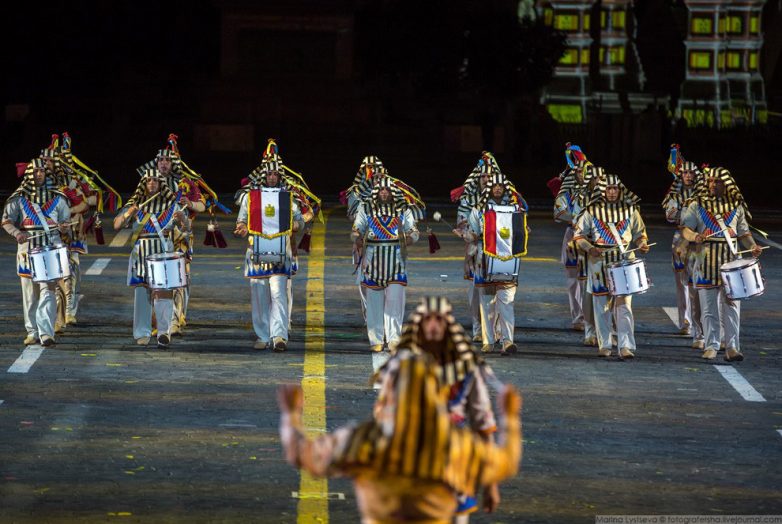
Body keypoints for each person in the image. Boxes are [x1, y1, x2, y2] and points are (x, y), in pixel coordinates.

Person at [277, 349, 523, 524]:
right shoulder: (456, 445)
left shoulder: (365, 440)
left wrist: (291, 415)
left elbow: (300, 453)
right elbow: (507, 461)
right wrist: (510, 417)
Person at [387, 297, 500, 520]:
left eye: (439, 319)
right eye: (427, 320)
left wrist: (491, 484)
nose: (432, 326)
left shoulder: (467, 370)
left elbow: (484, 429)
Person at [680, 167, 762, 361]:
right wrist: (695, 236)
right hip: (705, 262)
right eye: (709, 181)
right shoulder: (697, 204)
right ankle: (711, 345)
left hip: (731, 263)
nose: (712, 185)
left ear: (726, 184)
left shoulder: (736, 205)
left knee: (732, 305)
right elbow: (685, 230)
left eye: (716, 182)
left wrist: (752, 247)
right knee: (708, 308)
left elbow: (743, 233)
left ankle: (732, 346)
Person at [134, 134, 209, 336]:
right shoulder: (148, 182)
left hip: (178, 237)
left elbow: (202, 205)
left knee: (178, 279)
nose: (164, 164)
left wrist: (189, 203)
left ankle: (175, 320)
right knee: (155, 281)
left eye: (168, 160)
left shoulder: (185, 183)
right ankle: (159, 321)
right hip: (153, 239)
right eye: (161, 160)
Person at [574, 174, 649, 359]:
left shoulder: (631, 210)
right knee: (601, 306)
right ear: (602, 190)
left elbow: (640, 233)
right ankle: (605, 344)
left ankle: (625, 346)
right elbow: (579, 236)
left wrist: (642, 243)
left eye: (615, 188)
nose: (612, 192)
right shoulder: (591, 211)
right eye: (609, 189)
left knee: (624, 305)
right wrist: (590, 248)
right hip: (598, 262)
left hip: (624, 261)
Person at [234, 156, 304, 351]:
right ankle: (263, 335)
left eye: (275, 174)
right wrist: (241, 228)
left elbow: (300, 220)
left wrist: (296, 225)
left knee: (279, 295)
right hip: (256, 251)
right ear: (263, 175)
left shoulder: (288, 196)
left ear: (280, 176)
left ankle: (279, 336)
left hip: (282, 251)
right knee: (259, 295)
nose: (272, 177)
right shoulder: (251, 197)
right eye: (269, 174)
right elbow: (242, 220)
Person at [114, 169, 190, 348]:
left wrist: (183, 220)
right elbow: (117, 224)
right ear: (144, 184)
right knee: (142, 293)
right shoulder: (136, 204)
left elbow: (187, 228)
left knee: (164, 293)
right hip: (141, 253)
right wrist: (128, 213)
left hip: (164, 252)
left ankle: (164, 333)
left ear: (161, 184)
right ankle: (142, 332)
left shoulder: (171, 205)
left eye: (156, 180)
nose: (152, 183)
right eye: (149, 181)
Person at [2, 159, 71, 346]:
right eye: (35, 171)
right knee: (30, 294)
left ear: (46, 173)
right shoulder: (20, 197)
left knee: (48, 290)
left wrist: (64, 229)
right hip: (27, 250)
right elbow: (6, 220)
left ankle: (46, 332)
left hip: (50, 248)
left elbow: (66, 224)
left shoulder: (58, 198)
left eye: (42, 171)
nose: (39, 174)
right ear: (29, 174)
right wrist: (17, 233)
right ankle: (32, 331)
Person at [351, 177, 419, 352]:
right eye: (381, 190)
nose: (384, 193)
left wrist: (410, 239)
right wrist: (356, 237)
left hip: (396, 261)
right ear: (376, 192)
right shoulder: (365, 208)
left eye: (387, 190)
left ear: (392, 192)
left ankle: (394, 338)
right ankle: (376, 339)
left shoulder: (403, 208)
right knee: (374, 303)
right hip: (373, 262)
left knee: (395, 302)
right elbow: (356, 229)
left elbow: (413, 230)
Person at [466, 171, 529, 355]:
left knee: (507, 302)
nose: (498, 188)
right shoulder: (478, 209)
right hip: (484, 258)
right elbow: (473, 233)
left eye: (501, 186)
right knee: (487, 304)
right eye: (495, 186)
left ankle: (508, 341)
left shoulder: (516, 208)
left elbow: (521, 232)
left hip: (508, 260)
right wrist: (467, 235)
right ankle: (489, 340)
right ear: (490, 188)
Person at [452, 152, 502, 343]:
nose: (486, 179)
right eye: (483, 176)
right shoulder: (468, 198)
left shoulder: (504, 197)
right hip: (475, 248)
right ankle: (478, 328)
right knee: (475, 291)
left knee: (498, 290)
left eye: (489, 177)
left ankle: (496, 329)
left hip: (498, 251)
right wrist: (465, 230)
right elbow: (461, 221)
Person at [662, 145, 705, 348]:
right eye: (685, 173)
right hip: (680, 238)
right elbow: (670, 217)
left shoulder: (703, 196)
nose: (688, 176)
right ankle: (685, 321)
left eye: (691, 173)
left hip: (698, 240)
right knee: (682, 282)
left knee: (698, 283)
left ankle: (699, 326)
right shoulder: (674, 195)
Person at [553, 143, 590, 332]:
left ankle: (591, 316)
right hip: (571, 235)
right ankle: (578, 317)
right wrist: (575, 219)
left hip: (592, 238)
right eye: (579, 171)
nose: (582, 174)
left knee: (590, 277)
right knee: (573, 279)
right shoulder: (566, 191)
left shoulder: (596, 190)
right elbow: (558, 212)